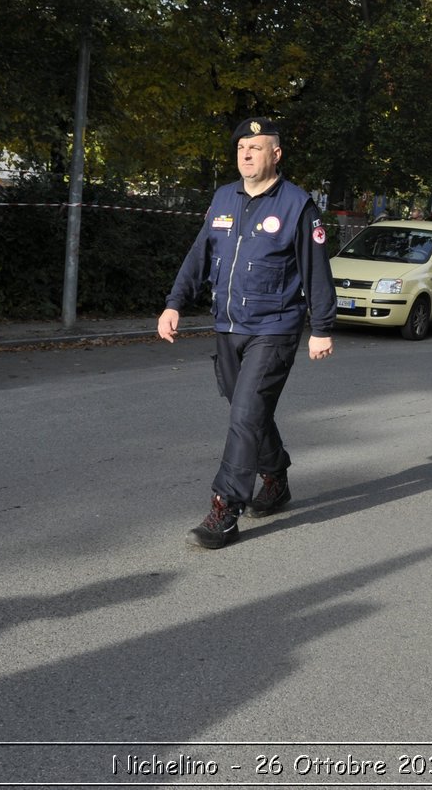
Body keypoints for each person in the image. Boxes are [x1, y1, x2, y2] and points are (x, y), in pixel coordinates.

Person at [158, 118, 336, 549]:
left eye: (256, 147)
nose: (246, 154)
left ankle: (225, 508)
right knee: (247, 410)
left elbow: (316, 271)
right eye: (241, 147)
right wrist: (174, 302)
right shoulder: (224, 198)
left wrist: (322, 327)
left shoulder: (297, 205)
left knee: (244, 415)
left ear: (276, 154)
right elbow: (199, 254)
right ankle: (275, 479)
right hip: (227, 325)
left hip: (274, 328)